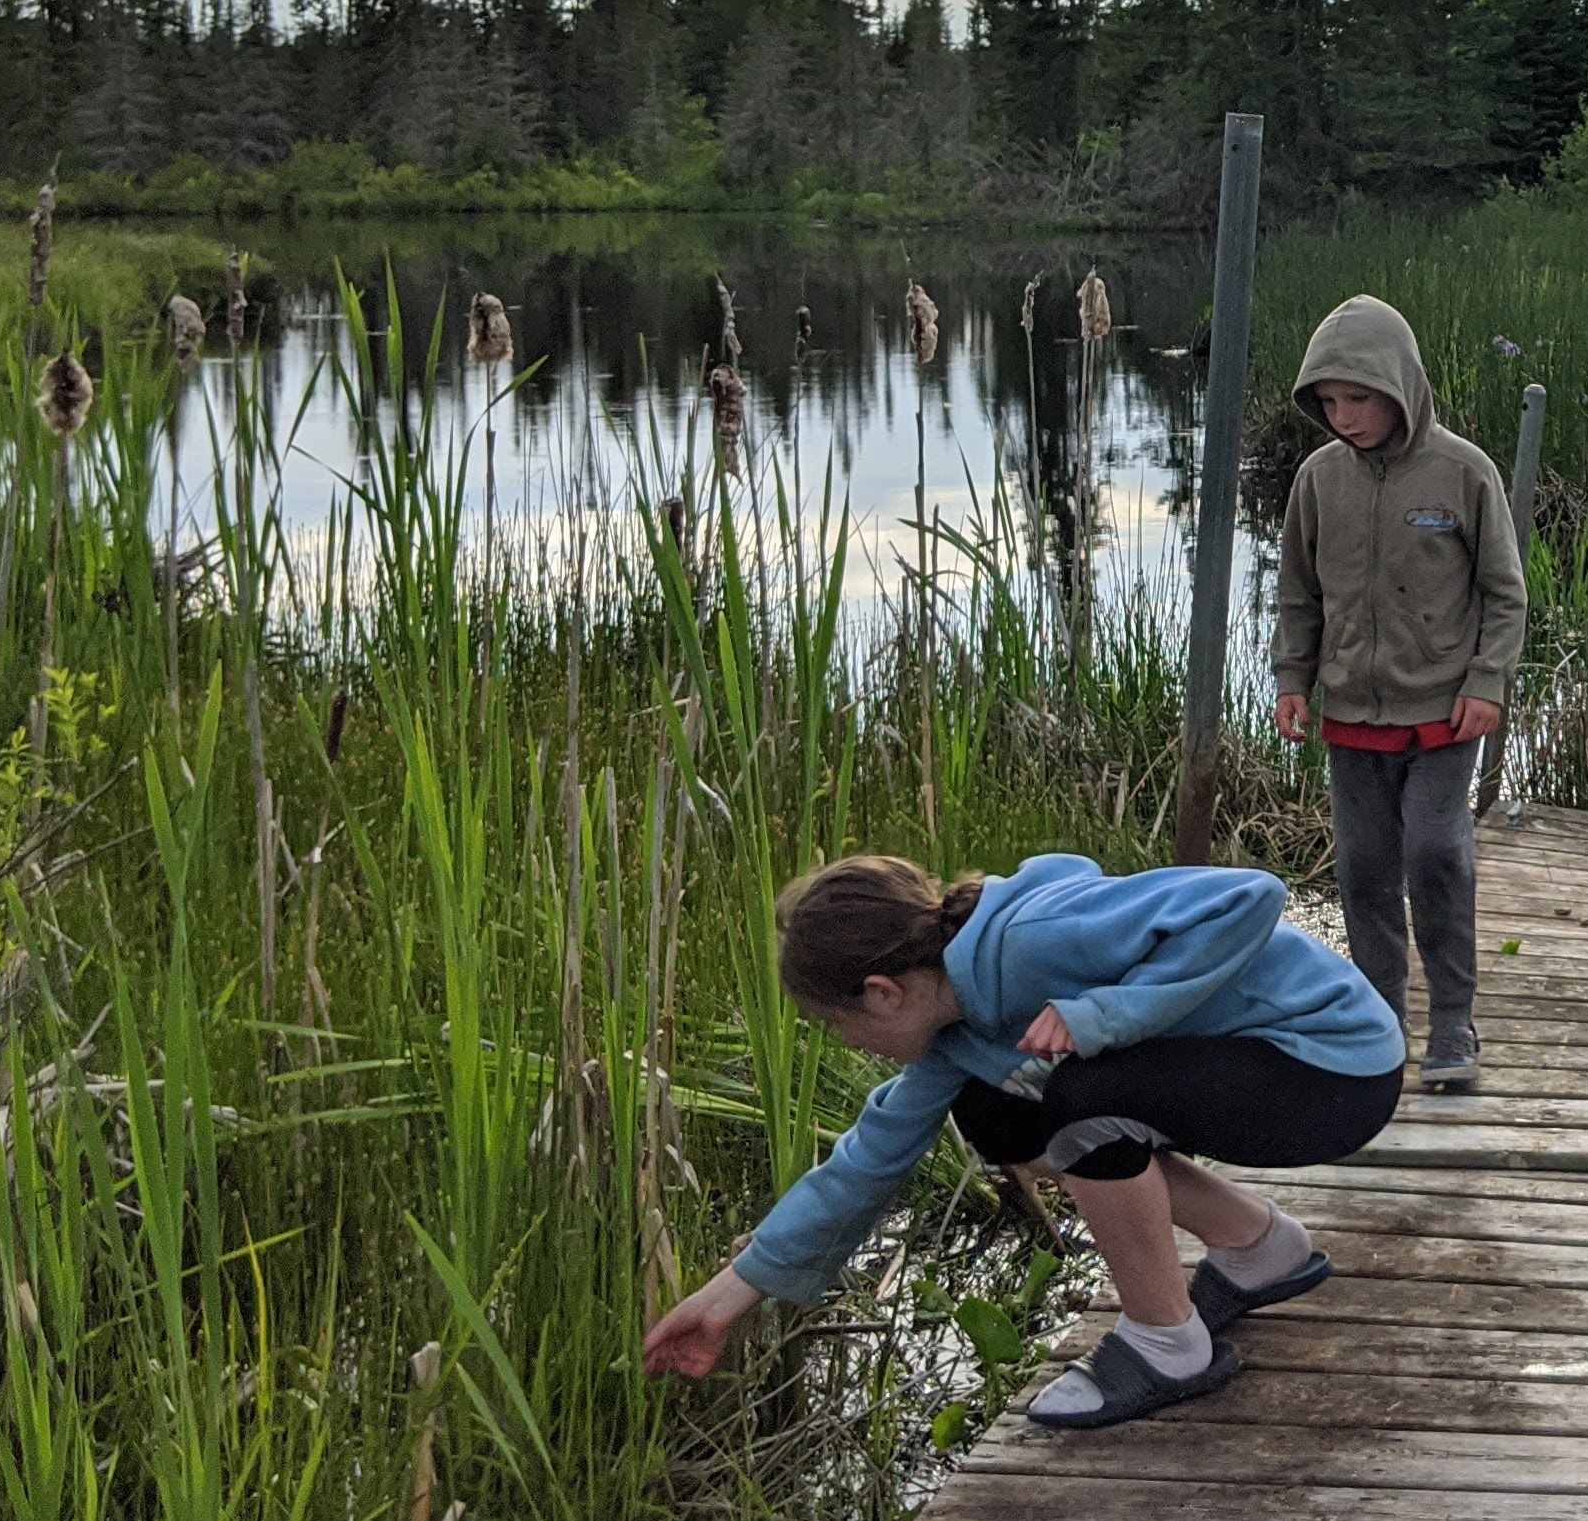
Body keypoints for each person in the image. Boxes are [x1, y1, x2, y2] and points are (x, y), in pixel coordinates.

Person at [640, 851, 1404, 1428]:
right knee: (996, 1114)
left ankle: (1166, 1346)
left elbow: (1250, 895)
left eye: (836, 1025)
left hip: (1332, 1066)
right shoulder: (955, 1033)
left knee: (1080, 1100)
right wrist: (730, 1294)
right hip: (1266, 1071)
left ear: (882, 992)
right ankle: (1259, 1247)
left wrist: (1108, 1014)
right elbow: (867, 1162)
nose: (846, 1043)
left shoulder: (1032, 938)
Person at [1271, 293, 1526, 1092]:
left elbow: (1505, 594)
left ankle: (1453, 1021)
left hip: (1447, 711)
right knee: (1364, 869)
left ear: (1402, 387)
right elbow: (1298, 594)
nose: (1343, 417)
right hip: (1351, 712)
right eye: (1329, 402)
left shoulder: (1464, 472)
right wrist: (1292, 679)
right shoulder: (1317, 480)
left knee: (1436, 853)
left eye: (1360, 397)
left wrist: (1487, 681)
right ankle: (1380, 1022)